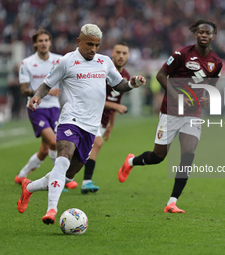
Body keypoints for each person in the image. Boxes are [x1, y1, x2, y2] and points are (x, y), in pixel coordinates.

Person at [17, 24, 146, 225]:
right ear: (79, 42)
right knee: (62, 161)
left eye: (96, 45)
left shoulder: (104, 62)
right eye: (89, 45)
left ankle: (29, 187)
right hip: (70, 120)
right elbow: (47, 84)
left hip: (91, 127)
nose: (93, 49)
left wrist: (133, 83)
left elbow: (118, 84)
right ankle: (51, 210)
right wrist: (36, 96)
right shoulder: (66, 61)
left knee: (68, 176)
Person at [118, 19, 223, 213]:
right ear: (196, 34)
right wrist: (178, 97)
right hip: (171, 112)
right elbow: (160, 75)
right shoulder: (181, 54)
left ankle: (172, 202)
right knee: (158, 156)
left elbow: (210, 87)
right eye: (201, 32)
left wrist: (207, 98)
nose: (204, 35)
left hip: (192, 114)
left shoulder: (216, 62)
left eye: (208, 33)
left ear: (213, 36)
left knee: (188, 155)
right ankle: (131, 161)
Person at [14, 28, 77, 190]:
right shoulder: (27, 63)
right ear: (35, 44)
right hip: (36, 108)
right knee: (54, 142)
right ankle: (60, 179)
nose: (43, 43)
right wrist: (46, 91)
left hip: (55, 109)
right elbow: (23, 90)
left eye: (46, 40)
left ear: (50, 42)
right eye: (40, 41)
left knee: (44, 150)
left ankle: (21, 175)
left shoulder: (59, 60)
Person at [80, 41, 130, 194]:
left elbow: (117, 101)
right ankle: (86, 182)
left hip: (103, 120)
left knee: (82, 150)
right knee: (97, 142)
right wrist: (116, 107)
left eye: (124, 53)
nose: (121, 56)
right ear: (112, 54)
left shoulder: (125, 75)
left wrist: (111, 125)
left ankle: (62, 180)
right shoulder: (103, 71)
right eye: (118, 52)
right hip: (90, 114)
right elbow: (96, 98)